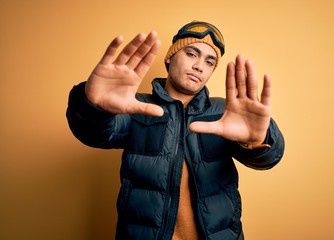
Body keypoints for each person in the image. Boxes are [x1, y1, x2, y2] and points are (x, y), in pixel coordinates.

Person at [66, 21, 285, 240]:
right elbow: (93, 132)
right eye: (192, 54)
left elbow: (269, 158)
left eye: (209, 62)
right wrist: (93, 105)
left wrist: (258, 140)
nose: (200, 66)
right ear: (170, 56)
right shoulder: (135, 106)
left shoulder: (226, 113)